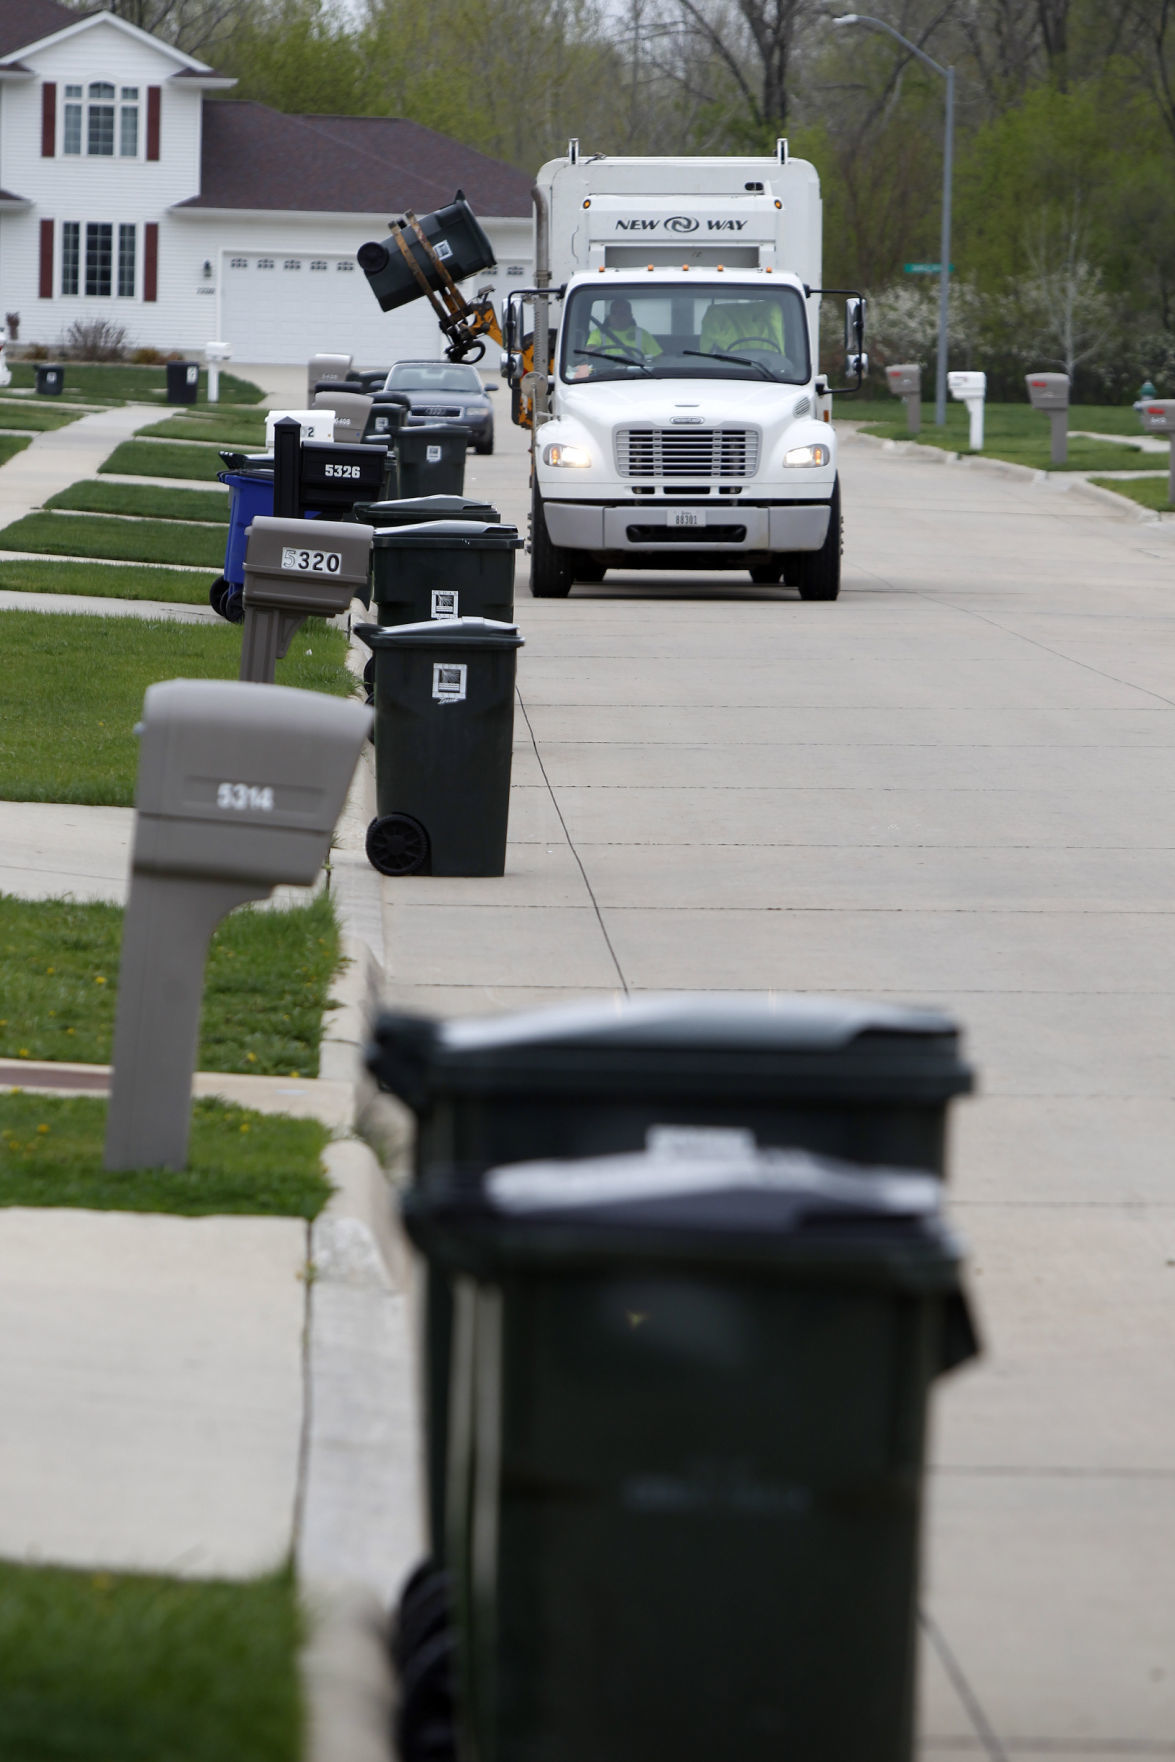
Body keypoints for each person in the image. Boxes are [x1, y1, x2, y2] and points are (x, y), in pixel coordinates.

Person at [573, 298, 661, 376]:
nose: (618, 316)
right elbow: (589, 350)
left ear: (630, 316)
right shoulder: (598, 333)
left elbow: (659, 359)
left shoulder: (642, 334)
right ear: (609, 316)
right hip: (605, 376)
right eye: (614, 313)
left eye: (622, 313)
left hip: (636, 377)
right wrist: (592, 352)